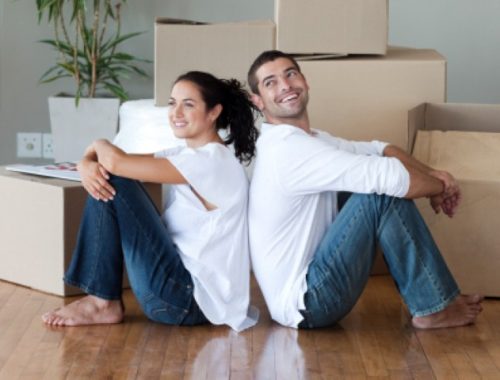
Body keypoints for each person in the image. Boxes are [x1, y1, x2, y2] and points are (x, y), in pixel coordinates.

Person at [246, 50, 483, 330]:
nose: (285, 86)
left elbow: (378, 149)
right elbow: (391, 177)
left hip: (309, 286)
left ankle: (434, 299)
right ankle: (435, 306)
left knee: (377, 177)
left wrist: (431, 174)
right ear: (258, 101)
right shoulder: (289, 150)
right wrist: (440, 187)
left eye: (290, 74)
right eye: (270, 82)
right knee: (380, 195)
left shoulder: (308, 139)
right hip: (309, 302)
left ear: (305, 81)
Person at [42, 71, 260, 332]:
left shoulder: (212, 162)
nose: (176, 113)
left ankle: (102, 302)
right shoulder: (188, 154)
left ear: (213, 112)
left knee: (115, 178)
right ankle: (101, 300)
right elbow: (114, 159)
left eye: (188, 104)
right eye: (172, 103)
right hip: (179, 294)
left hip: (184, 301)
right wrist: (85, 163)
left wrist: (98, 144)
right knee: (113, 174)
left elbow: (114, 162)